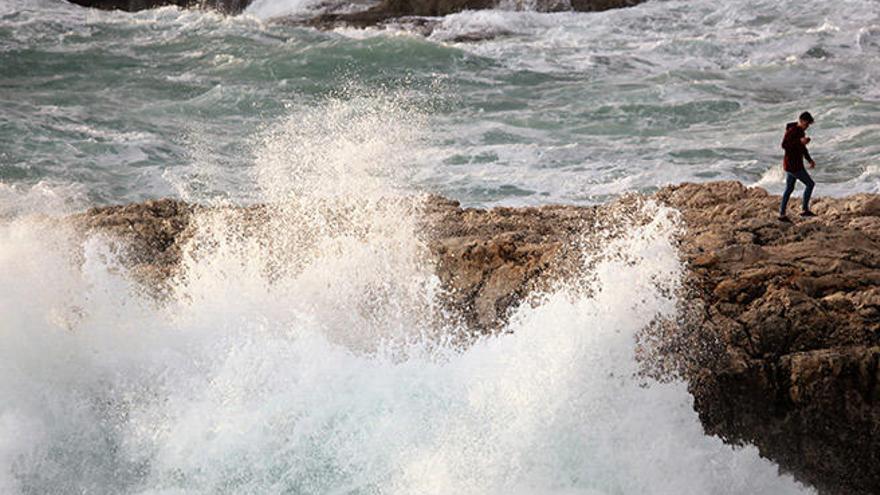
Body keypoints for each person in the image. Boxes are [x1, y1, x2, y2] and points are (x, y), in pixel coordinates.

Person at [778, 111, 817, 221]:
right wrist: (799, 141)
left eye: (808, 125)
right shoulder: (792, 131)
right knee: (810, 184)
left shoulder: (800, 131)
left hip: (792, 164)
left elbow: (802, 148)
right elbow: (784, 145)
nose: (807, 127)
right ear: (801, 121)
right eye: (806, 124)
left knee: (789, 189)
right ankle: (804, 210)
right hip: (793, 165)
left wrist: (809, 160)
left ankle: (782, 214)